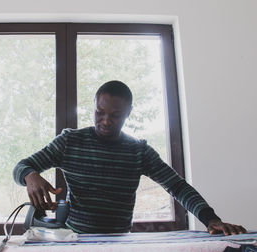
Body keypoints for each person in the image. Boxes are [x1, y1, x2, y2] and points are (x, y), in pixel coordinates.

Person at [13, 80, 246, 235]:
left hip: (121, 242)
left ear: (129, 113)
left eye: (115, 115)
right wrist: (30, 176)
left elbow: (177, 186)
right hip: (76, 242)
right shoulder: (69, 142)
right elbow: (22, 166)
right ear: (93, 106)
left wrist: (211, 219)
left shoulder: (138, 151)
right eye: (99, 112)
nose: (105, 121)